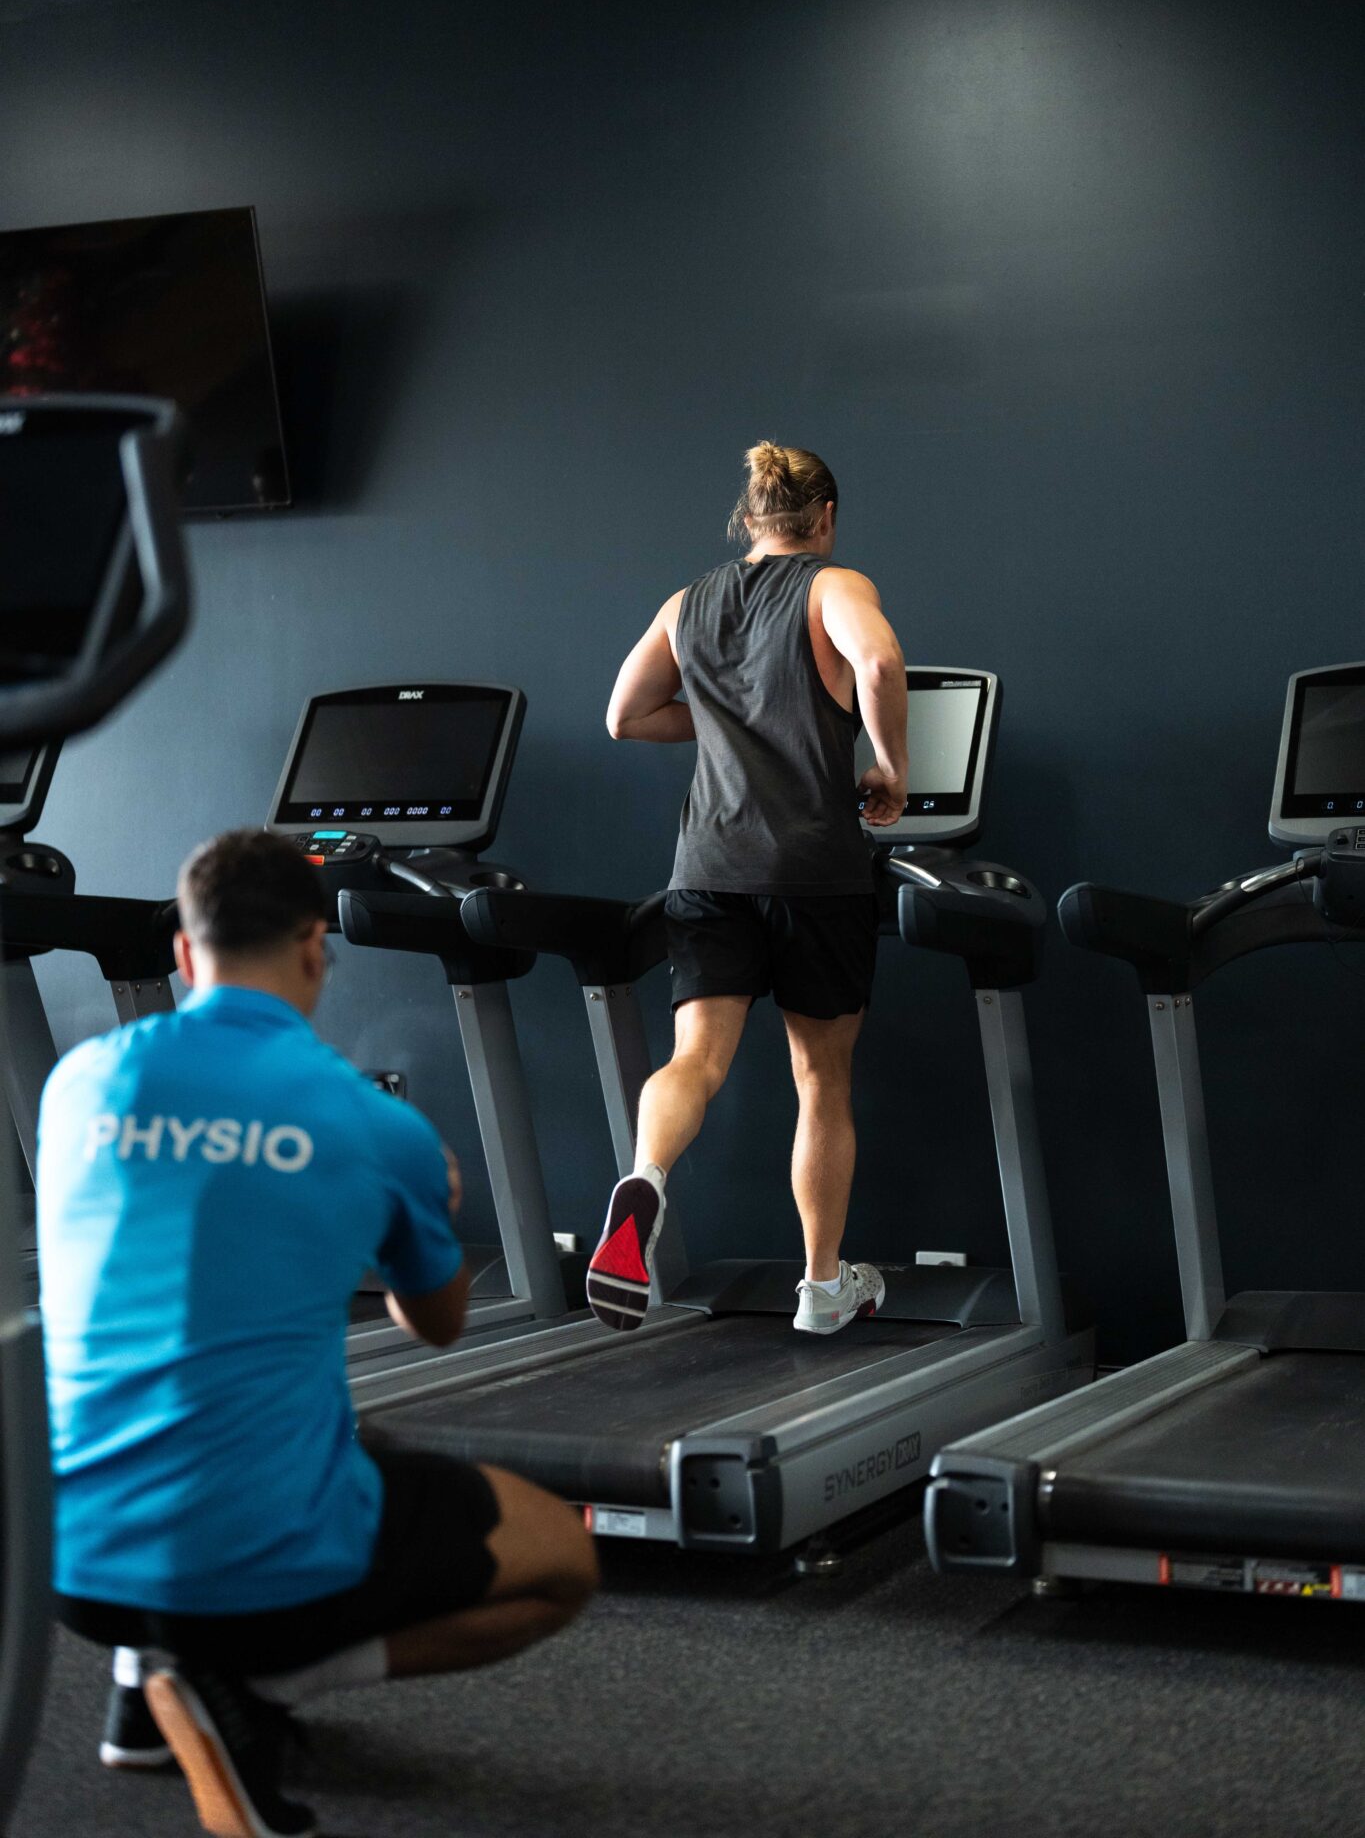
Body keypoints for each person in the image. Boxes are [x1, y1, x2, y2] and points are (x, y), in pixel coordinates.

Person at [37, 829, 596, 1838]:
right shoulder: (374, 1126)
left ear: (182, 954)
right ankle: (255, 1677)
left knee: (252, 1404)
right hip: (245, 1554)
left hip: (66, 1550)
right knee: (561, 1556)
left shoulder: (78, 1082)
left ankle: (144, 1688)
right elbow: (435, 1323)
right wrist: (409, 1220)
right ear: (313, 948)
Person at [587, 441, 908, 1336]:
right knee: (821, 1082)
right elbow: (876, 665)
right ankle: (818, 1288)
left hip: (707, 872)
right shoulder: (833, 586)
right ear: (825, 520)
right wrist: (890, 766)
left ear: (748, 520)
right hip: (815, 874)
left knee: (695, 1061)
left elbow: (623, 716)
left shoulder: (687, 602)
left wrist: (727, 721)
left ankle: (644, 1179)